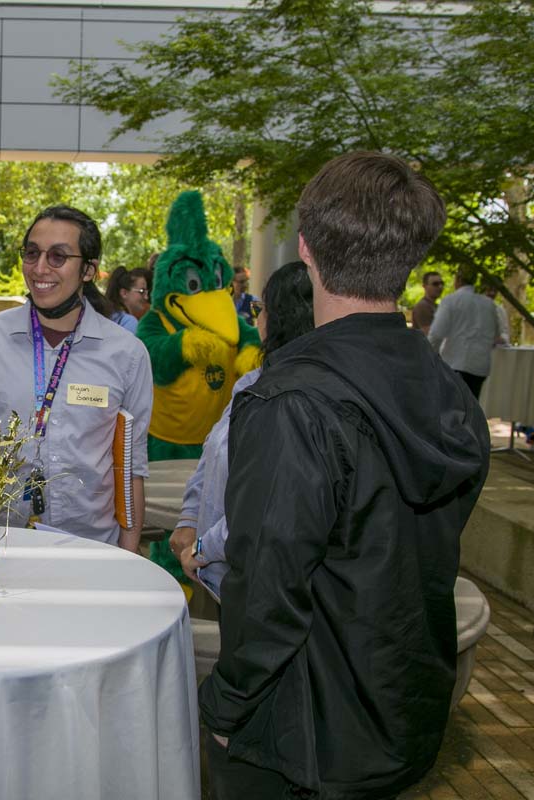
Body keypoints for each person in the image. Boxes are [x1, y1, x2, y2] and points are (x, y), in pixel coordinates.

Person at [198, 152, 490, 798]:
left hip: (302, 738)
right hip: (403, 710)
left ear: (304, 247)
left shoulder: (291, 401)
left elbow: (267, 586)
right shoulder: (449, 389)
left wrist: (225, 706)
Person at [0, 206, 152, 552]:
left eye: (58, 256)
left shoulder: (127, 354)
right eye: (32, 253)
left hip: (92, 550)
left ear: (88, 270)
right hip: (2, 549)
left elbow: (131, 467)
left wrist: (127, 559)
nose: (40, 268)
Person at [168, 260, 314, 598]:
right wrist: (189, 518)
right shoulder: (251, 383)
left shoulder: (289, 399)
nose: (255, 319)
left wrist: (202, 549)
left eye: (261, 310)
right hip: (222, 575)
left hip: (262, 585)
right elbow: (212, 450)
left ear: (282, 317)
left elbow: (259, 505)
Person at [428, 268, 500, 397]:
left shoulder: (451, 301)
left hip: (456, 363)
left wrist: (429, 356)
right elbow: (496, 335)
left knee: (452, 404)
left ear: (458, 280)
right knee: (472, 401)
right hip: (480, 366)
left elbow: (436, 334)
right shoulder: (489, 304)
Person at [104, 265, 152, 332]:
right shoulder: (129, 322)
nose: (146, 297)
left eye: (146, 292)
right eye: (142, 291)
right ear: (124, 293)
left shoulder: (106, 315)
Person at [411, 270, 443, 334]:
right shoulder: (422, 306)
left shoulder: (435, 306)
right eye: (435, 284)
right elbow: (429, 334)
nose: (440, 287)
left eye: (442, 283)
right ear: (424, 286)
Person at [481, 278, 511, 346]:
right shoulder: (474, 308)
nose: (492, 293)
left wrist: (501, 339)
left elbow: (505, 333)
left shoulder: (500, 310)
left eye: (495, 290)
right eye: (489, 290)